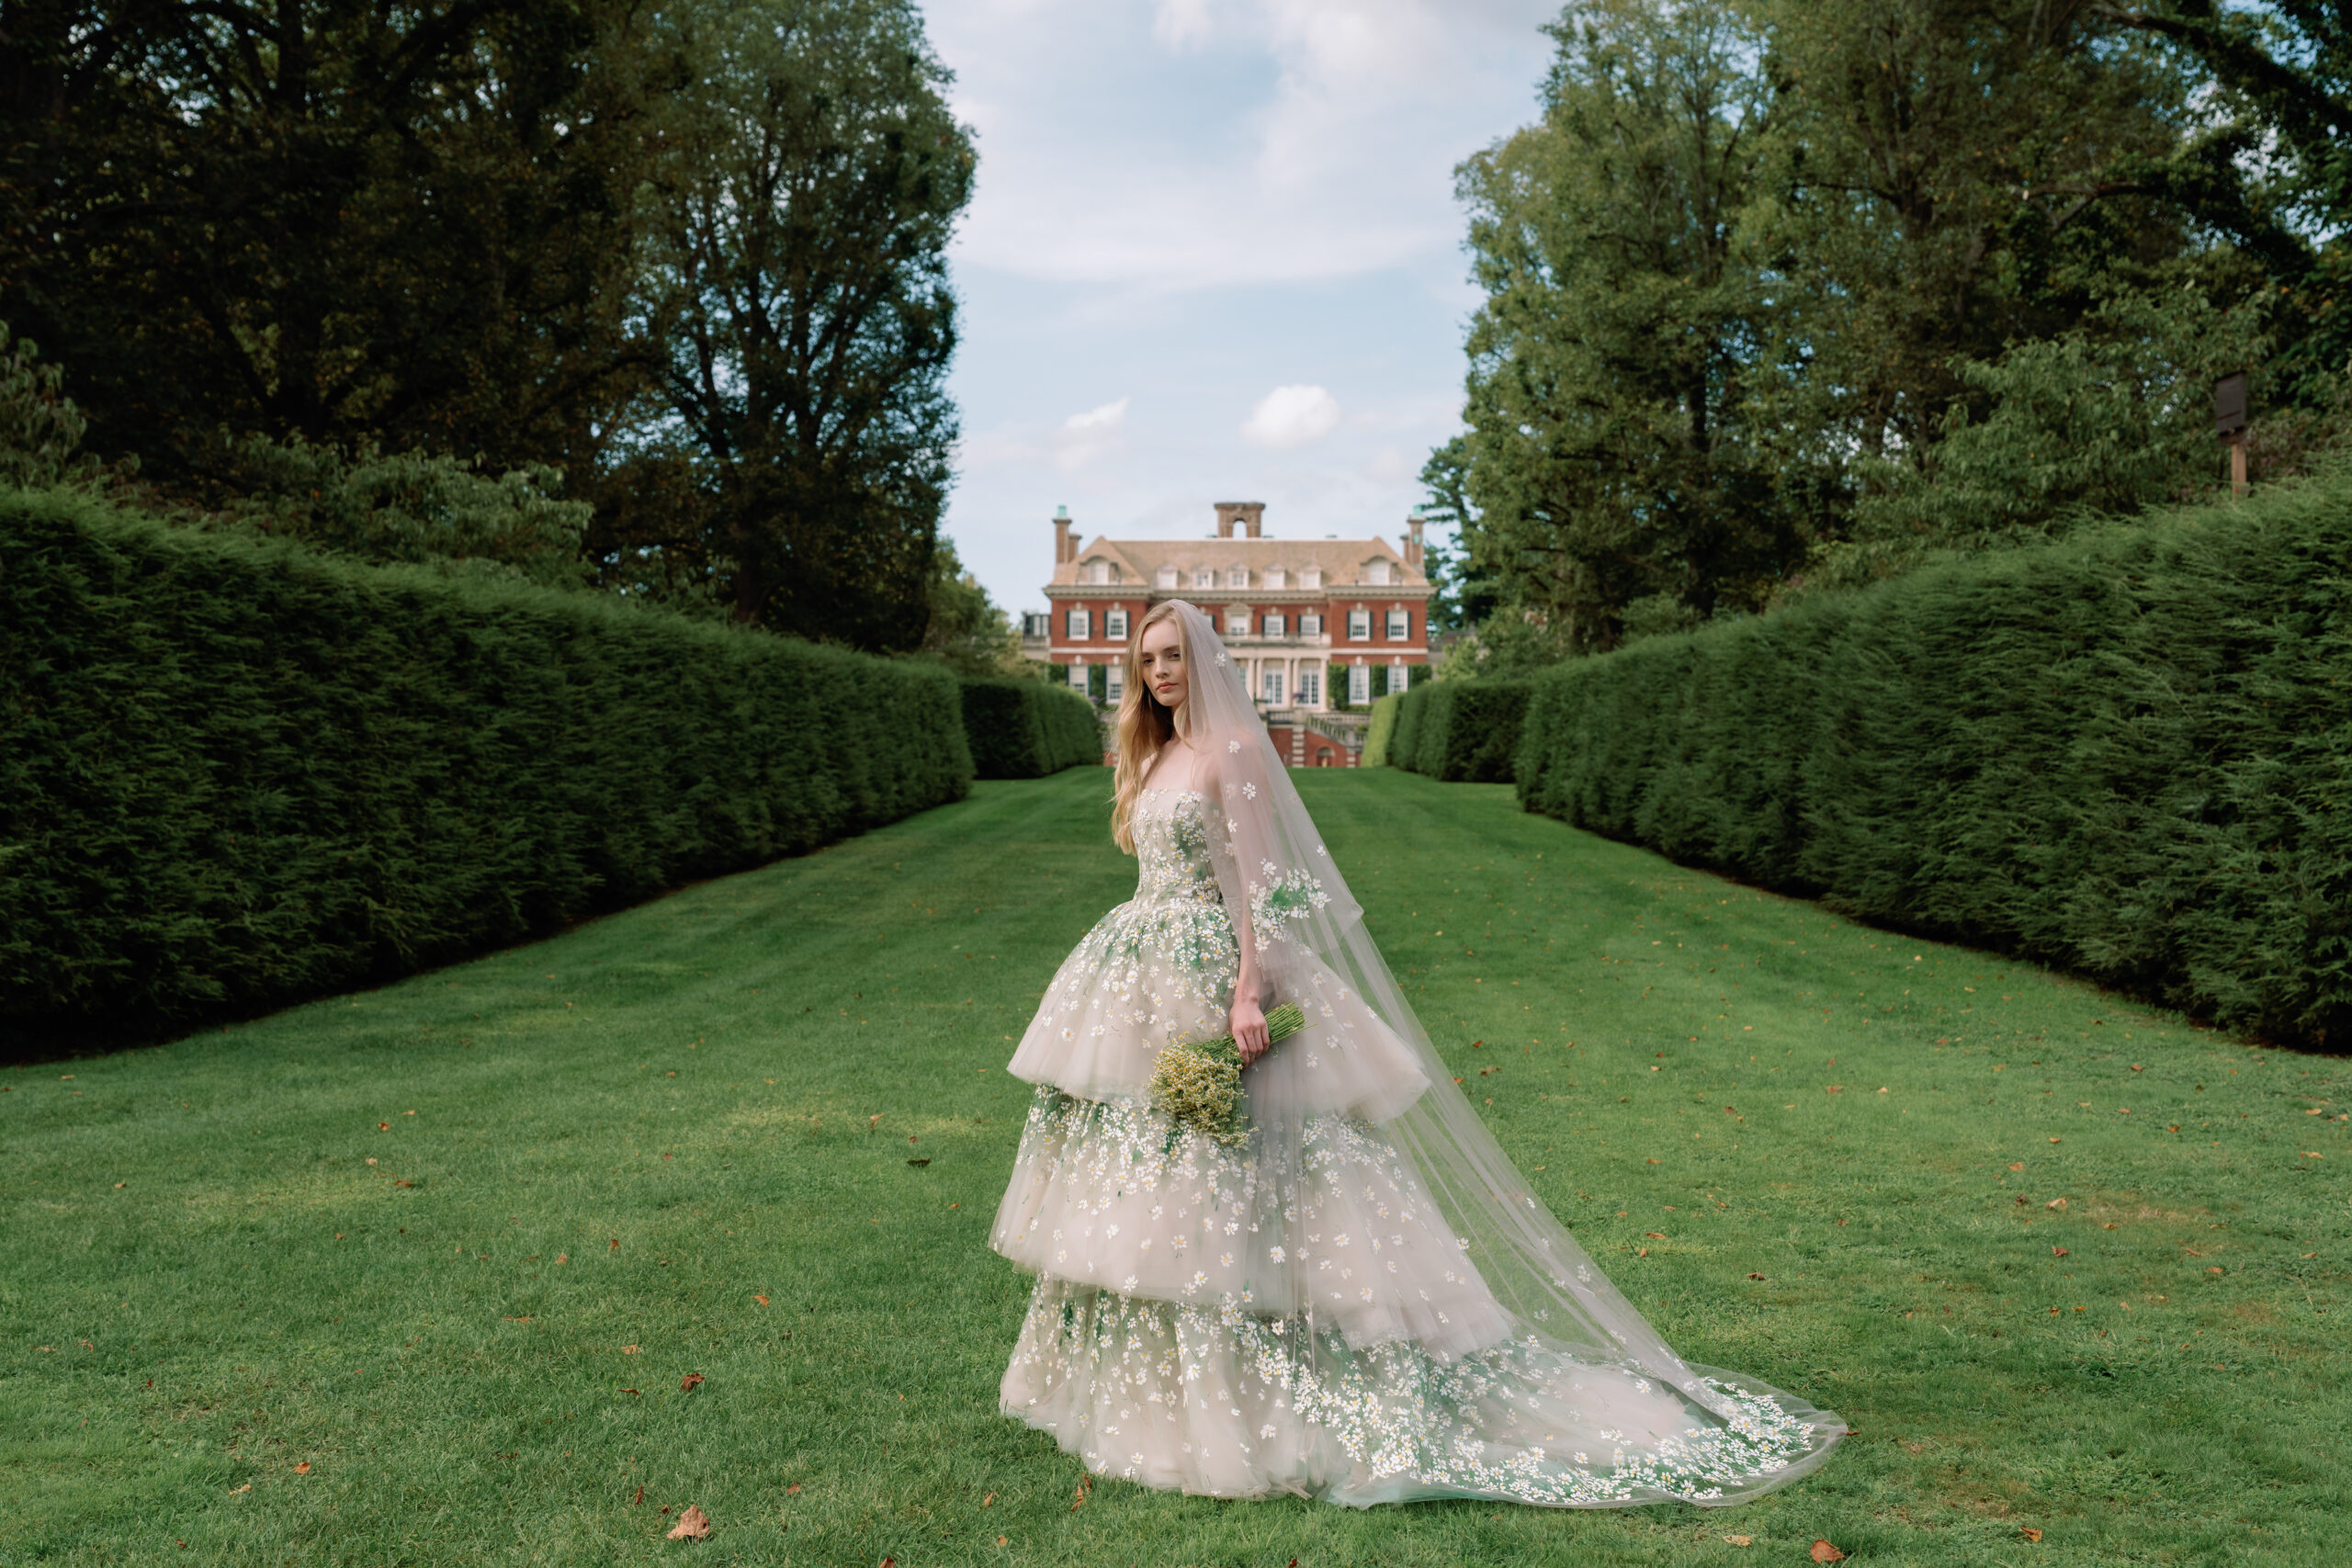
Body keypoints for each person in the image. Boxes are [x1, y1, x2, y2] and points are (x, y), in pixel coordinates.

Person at [989, 599, 1842, 1506]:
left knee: (1239, 1174)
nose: (1160, 672)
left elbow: (1267, 886)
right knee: (1143, 1180)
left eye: (1174, 656)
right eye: (1147, 659)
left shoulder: (1235, 750)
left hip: (1216, 971)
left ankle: (1272, 1392)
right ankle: (1152, 1402)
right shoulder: (1151, 751)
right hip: (1138, 979)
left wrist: (1250, 988)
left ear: (1206, 659)